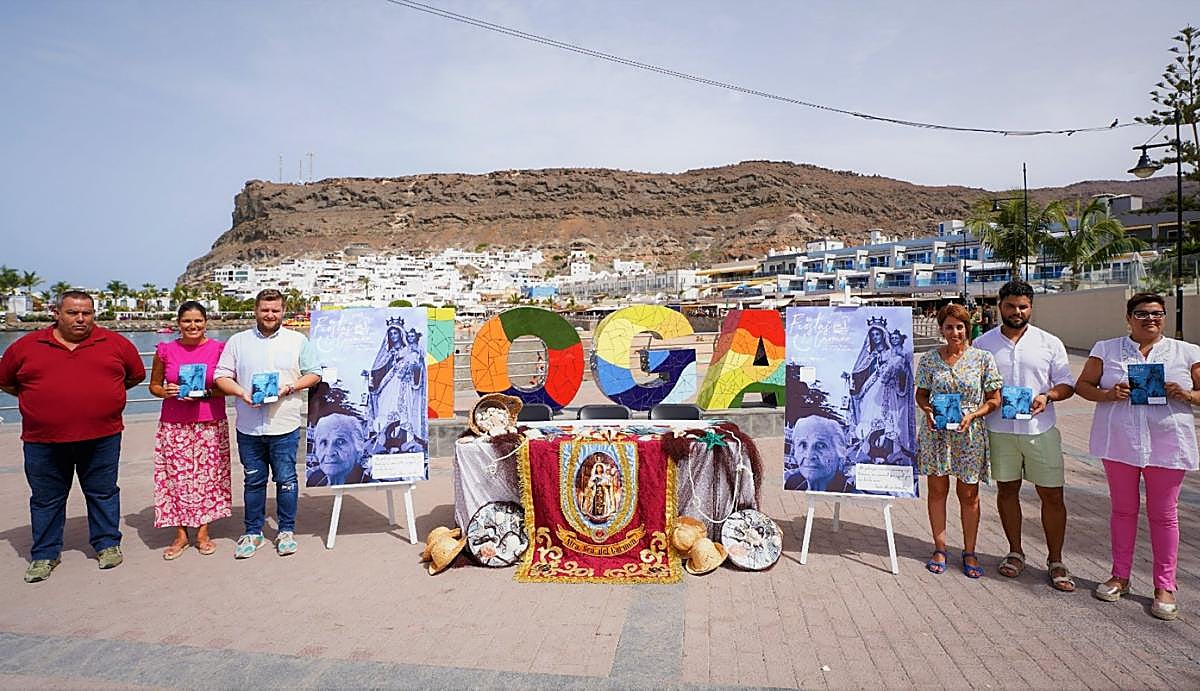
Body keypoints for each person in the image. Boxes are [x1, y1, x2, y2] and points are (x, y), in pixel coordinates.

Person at [0, 291, 145, 583]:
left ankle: (106, 545)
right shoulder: (26, 346)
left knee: (103, 492)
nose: (80, 319)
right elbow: (7, 382)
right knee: (46, 499)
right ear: (56, 313)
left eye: (87, 313)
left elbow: (134, 376)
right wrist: (42, 403)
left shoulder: (115, 343)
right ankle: (44, 554)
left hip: (102, 437)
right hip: (43, 440)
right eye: (73, 313)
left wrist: (104, 400)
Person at [1075, 292, 1200, 621]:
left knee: (1164, 515)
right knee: (1123, 511)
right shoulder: (1106, 349)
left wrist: (1186, 394)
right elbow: (1083, 385)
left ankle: (1164, 585)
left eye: (1157, 313)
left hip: (1167, 444)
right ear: (1128, 317)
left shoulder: (1187, 352)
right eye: (1142, 313)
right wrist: (1108, 394)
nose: (1151, 319)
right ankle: (1120, 576)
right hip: (1120, 443)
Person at [973, 280, 1076, 591]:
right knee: (1007, 492)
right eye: (1010, 306)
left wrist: (1047, 396)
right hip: (999, 430)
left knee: (1053, 496)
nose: (1017, 312)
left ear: (1031, 307)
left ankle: (1056, 560)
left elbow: (1067, 384)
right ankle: (1015, 552)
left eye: (1023, 306)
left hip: (1039, 429)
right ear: (999, 306)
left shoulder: (1049, 342)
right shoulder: (982, 345)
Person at [214, 289, 321, 559]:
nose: (270, 314)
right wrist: (241, 393)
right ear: (256, 310)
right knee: (253, 481)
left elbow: (315, 374)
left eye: (275, 310)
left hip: (284, 425)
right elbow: (221, 376)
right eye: (265, 310)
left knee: (286, 480)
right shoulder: (238, 341)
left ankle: (286, 530)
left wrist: (290, 387)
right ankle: (253, 532)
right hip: (249, 426)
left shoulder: (298, 340)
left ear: (283, 311)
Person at [915, 303, 1002, 578]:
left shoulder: (982, 359)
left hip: (969, 433)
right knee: (937, 491)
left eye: (960, 326)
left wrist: (974, 414)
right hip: (936, 433)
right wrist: (927, 409)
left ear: (967, 328)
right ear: (941, 329)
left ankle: (970, 550)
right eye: (949, 326)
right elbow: (922, 394)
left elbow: (995, 399)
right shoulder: (930, 359)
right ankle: (940, 547)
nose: (955, 332)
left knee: (969, 495)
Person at [147, 301, 230, 560]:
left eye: (197, 321)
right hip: (174, 423)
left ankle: (203, 531)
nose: (192, 326)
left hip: (210, 422)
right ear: (178, 323)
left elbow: (227, 385)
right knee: (176, 478)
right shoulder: (165, 350)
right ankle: (181, 534)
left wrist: (204, 393)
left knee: (208, 477)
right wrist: (167, 391)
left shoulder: (219, 349)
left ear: (206, 322)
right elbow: (154, 386)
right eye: (187, 321)